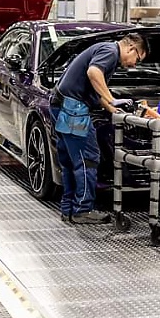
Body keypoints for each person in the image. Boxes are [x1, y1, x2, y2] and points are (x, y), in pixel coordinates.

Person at [50, 33, 149, 224]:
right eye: (137, 58)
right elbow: (93, 73)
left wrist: (113, 109)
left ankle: (68, 209)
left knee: (70, 162)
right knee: (88, 159)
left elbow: (96, 90)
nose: (134, 65)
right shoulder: (110, 51)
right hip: (74, 110)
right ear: (130, 48)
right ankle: (83, 210)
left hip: (61, 105)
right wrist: (112, 98)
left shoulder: (104, 49)